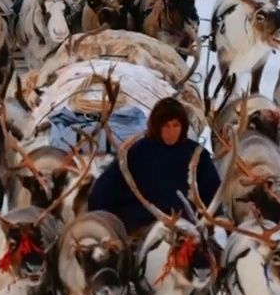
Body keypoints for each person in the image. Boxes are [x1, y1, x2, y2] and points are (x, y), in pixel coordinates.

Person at [87, 97, 221, 235]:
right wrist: (100, 222)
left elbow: (213, 193)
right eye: (166, 126)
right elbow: (106, 188)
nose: (171, 131)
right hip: (141, 227)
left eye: (176, 125)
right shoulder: (137, 152)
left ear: (183, 126)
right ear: (157, 126)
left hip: (188, 228)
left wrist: (216, 223)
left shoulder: (197, 154)